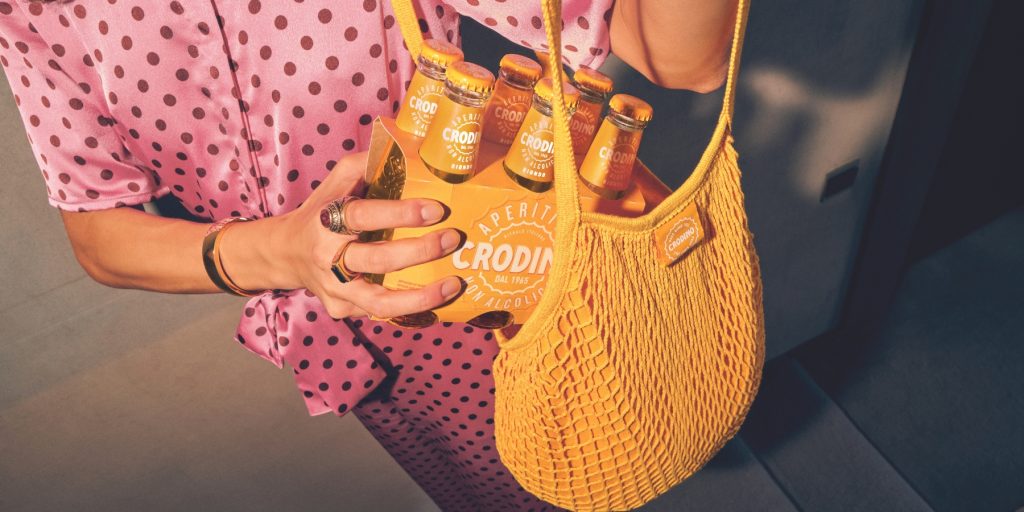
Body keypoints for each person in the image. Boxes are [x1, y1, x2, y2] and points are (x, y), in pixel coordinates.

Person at [0, 0, 737, 509]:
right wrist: (286, 257)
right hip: (338, 342)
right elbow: (99, 231)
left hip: (485, 287)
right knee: (482, 493)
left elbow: (679, 54)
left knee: (581, 469)